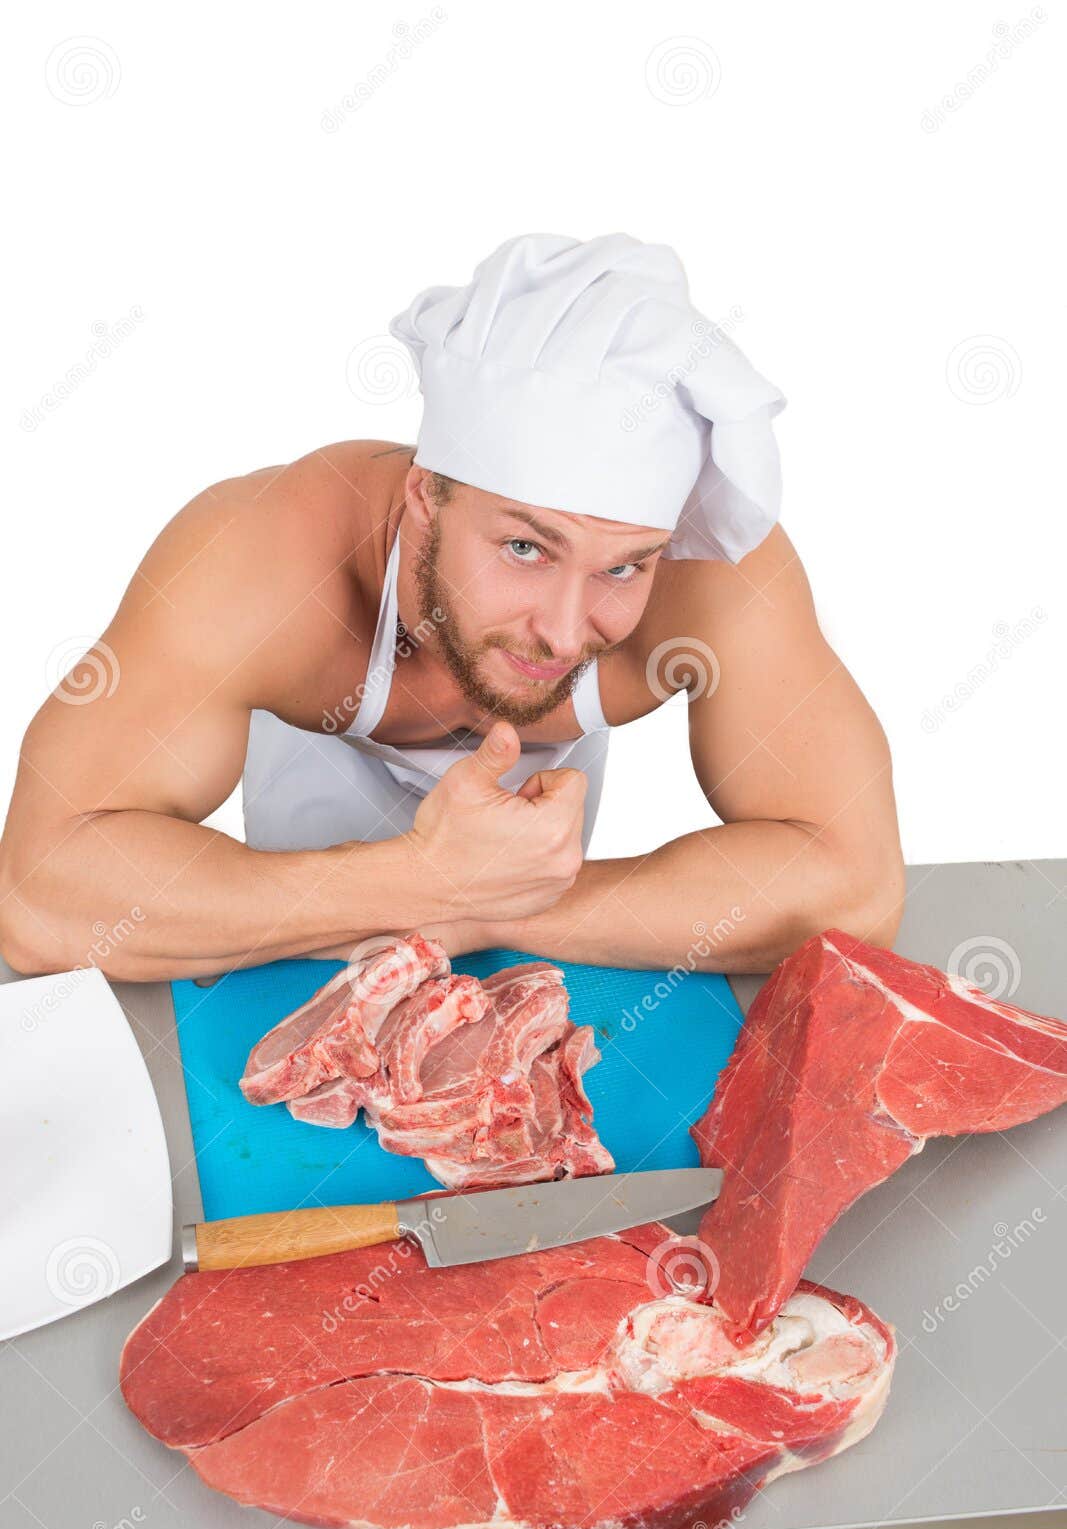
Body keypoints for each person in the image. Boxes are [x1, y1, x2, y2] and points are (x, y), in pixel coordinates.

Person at [0, 234, 904, 983]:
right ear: (425, 498)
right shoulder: (257, 559)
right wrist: (419, 879)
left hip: (532, 861)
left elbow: (852, 886)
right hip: (313, 801)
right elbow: (40, 900)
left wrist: (484, 901)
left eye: (624, 569)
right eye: (524, 548)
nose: (562, 628)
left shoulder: (717, 574)